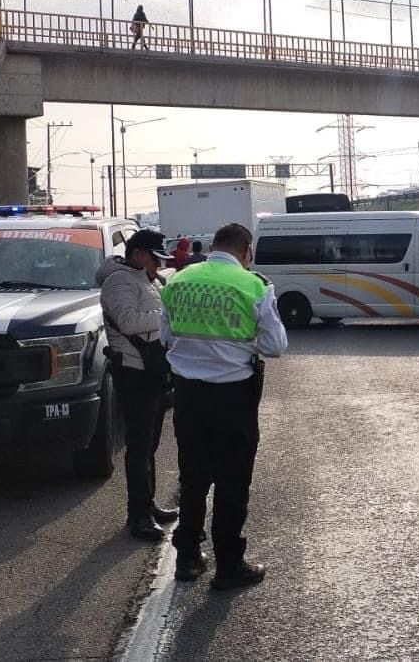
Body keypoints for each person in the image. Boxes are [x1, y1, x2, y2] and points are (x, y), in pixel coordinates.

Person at [161, 222, 288, 588]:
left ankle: (187, 558)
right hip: (233, 397)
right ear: (246, 251)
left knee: (193, 477)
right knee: (232, 482)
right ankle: (229, 566)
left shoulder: (179, 281)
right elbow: (276, 346)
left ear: (214, 245)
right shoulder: (254, 286)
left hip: (187, 395)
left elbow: (165, 337)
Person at [97, 229, 178, 542]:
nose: (159, 265)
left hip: (152, 369)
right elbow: (130, 321)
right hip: (133, 371)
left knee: (151, 444)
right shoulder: (119, 281)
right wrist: (167, 314)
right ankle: (139, 515)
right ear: (139, 254)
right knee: (139, 446)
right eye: (156, 258)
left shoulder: (147, 279)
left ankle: (148, 503)